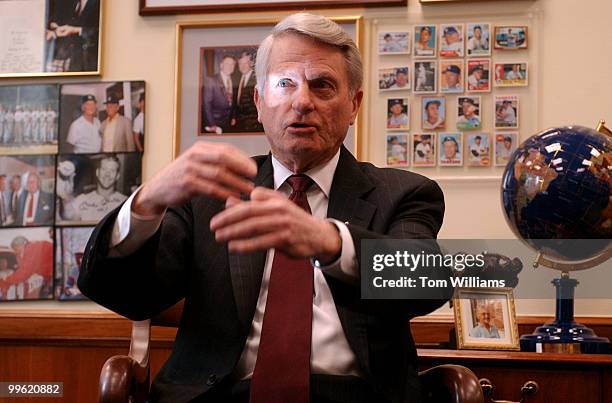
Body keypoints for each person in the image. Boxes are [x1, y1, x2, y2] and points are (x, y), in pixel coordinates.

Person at [78, 13, 450, 403]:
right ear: (258, 102)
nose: (302, 101)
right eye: (285, 84)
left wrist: (329, 241)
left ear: (354, 105)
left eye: (322, 85)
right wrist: (144, 204)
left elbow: (426, 282)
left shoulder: (402, 192)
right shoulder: (210, 193)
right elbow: (127, 295)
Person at [57, 156, 127, 223]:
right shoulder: (82, 199)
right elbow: (69, 217)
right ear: (97, 172)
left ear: (117, 176)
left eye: (112, 171)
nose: (107, 174)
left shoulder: (125, 202)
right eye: (104, 169)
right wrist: (66, 197)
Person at [45, 0, 100, 72]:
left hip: (91, 64)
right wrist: (53, 26)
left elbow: (103, 32)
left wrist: (77, 30)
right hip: (70, 60)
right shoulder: (72, 2)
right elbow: (61, 20)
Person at [203, 55, 237, 134]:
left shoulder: (234, 80)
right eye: (227, 64)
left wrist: (233, 116)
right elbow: (206, 105)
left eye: (232, 64)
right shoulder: (211, 80)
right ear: (221, 65)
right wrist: (212, 124)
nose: (230, 66)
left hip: (229, 122)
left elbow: (233, 100)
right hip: (216, 123)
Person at [230, 52, 263, 133]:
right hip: (239, 123)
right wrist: (234, 117)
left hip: (254, 125)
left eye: (245, 63)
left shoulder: (257, 79)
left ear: (251, 63)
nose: (242, 66)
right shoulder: (236, 78)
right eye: (240, 63)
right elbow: (236, 101)